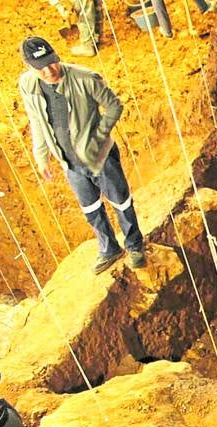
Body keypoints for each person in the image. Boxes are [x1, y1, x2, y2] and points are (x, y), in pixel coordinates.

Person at [18, 36, 146, 274]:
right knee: (91, 207)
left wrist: (98, 138)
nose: (49, 70)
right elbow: (36, 120)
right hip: (68, 160)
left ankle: (134, 245)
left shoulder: (84, 78)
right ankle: (109, 249)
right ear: (28, 67)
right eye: (41, 67)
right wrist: (41, 156)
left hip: (100, 156)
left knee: (120, 200)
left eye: (52, 62)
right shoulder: (28, 85)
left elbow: (114, 106)